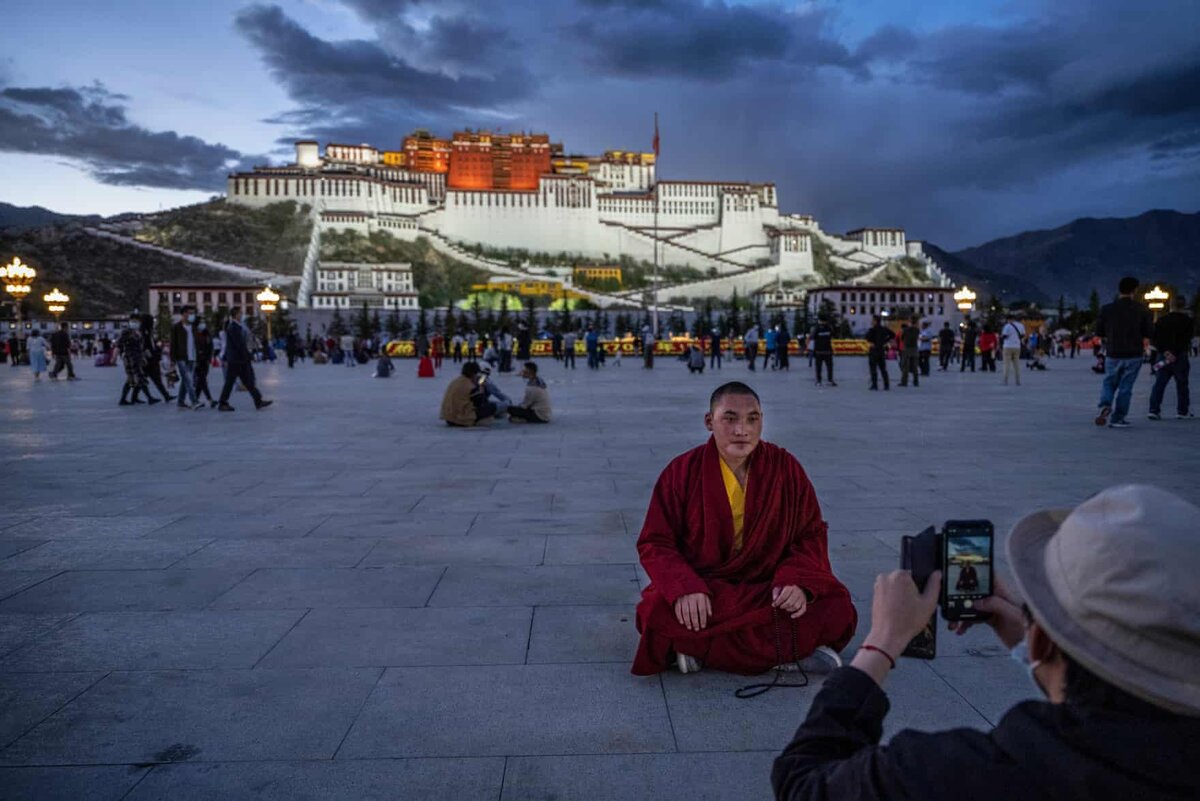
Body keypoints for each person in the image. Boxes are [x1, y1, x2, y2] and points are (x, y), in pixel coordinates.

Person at [772, 484, 1200, 801]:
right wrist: (1029, 638)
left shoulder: (972, 776)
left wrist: (881, 643)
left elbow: (802, 783)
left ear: (1045, 643)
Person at [633, 382, 856, 676]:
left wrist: (796, 581)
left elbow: (810, 533)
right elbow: (656, 542)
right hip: (708, 588)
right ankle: (784, 653)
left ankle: (698, 650)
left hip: (768, 587)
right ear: (709, 421)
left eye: (753, 418)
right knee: (654, 610)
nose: (742, 430)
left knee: (837, 609)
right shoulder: (682, 472)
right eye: (730, 418)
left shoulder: (785, 468)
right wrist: (684, 588)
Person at [1094, 277, 1153, 427]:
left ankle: (1105, 405)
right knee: (1126, 387)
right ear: (1135, 290)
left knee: (1109, 382)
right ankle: (1118, 418)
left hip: (1113, 352)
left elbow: (1099, 331)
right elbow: (1149, 332)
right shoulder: (1142, 310)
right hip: (1134, 353)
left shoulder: (1107, 309)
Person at [217, 308, 272, 412]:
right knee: (231, 382)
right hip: (236, 360)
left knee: (247, 381)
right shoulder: (233, 327)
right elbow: (239, 344)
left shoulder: (236, 326)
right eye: (240, 313)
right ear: (236, 315)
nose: (241, 315)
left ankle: (258, 400)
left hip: (238, 359)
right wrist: (247, 355)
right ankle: (222, 402)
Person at [1147, 295, 1193, 420]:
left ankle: (1153, 410)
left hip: (1163, 356)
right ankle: (1182, 411)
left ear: (1170, 305)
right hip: (1180, 356)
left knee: (1159, 384)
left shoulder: (1161, 320)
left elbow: (1154, 338)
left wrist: (1166, 352)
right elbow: (1186, 340)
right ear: (1183, 305)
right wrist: (1175, 353)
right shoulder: (1188, 321)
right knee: (1182, 384)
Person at [439, 361, 496, 427]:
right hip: (460, 419)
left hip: (449, 418)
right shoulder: (469, 386)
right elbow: (480, 403)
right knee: (492, 407)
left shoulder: (456, 381)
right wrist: (481, 386)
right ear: (473, 374)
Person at [117, 314, 156, 405]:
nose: (135, 323)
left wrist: (144, 355)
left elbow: (140, 346)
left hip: (137, 357)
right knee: (139, 377)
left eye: (137, 321)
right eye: (133, 321)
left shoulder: (138, 332)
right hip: (130, 358)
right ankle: (149, 398)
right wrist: (117, 355)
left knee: (131, 380)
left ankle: (123, 399)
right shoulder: (126, 332)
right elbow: (119, 343)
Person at [170, 307, 203, 410]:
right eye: (189, 313)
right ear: (183, 314)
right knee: (188, 380)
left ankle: (180, 401)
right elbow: (173, 343)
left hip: (192, 356)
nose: (191, 315)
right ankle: (194, 401)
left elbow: (197, 343)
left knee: (186, 380)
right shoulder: (177, 327)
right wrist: (172, 359)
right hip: (181, 357)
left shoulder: (193, 327)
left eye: (192, 313)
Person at [865, 315, 894, 391]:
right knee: (883, 369)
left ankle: (875, 385)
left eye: (872, 320)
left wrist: (872, 342)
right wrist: (885, 341)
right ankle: (886, 385)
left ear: (875, 321)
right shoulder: (884, 329)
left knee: (873, 368)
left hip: (874, 350)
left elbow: (867, 338)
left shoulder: (872, 330)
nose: (871, 322)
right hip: (881, 350)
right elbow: (892, 334)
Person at [194, 320, 216, 407]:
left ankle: (195, 399)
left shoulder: (207, 335)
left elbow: (210, 347)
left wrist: (209, 358)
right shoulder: (195, 335)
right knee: (202, 380)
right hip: (198, 361)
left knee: (200, 381)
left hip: (205, 361)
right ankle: (210, 400)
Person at [1001, 313, 1026, 386]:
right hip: (1017, 346)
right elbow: (1023, 335)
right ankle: (1017, 380)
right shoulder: (1021, 325)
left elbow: (1004, 336)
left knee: (1006, 364)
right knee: (1016, 364)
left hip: (1007, 346)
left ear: (1009, 319)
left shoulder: (1007, 326)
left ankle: (1005, 380)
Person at [811, 319, 835, 386]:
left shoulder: (817, 329)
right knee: (829, 366)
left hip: (819, 351)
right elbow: (833, 334)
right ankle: (830, 380)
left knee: (818, 367)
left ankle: (819, 381)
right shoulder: (829, 328)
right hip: (827, 350)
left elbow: (812, 336)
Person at [898, 317, 919, 388]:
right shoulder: (917, 330)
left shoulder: (906, 330)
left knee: (905, 366)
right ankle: (916, 381)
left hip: (907, 349)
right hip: (915, 349)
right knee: (915, 366)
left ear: (910, 322)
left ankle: (904, 381)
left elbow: (902, 338)